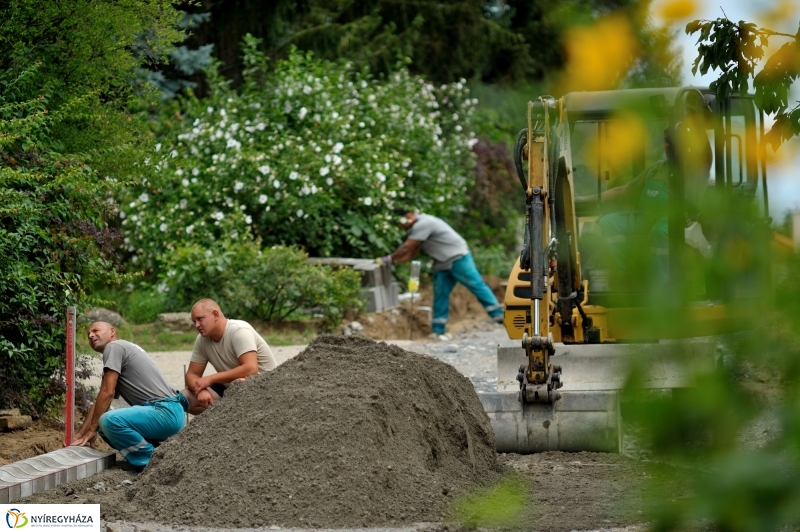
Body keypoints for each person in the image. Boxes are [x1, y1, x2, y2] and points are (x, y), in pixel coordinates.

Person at [578, 122, 713, 284]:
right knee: (609, 223)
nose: (667, 145)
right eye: (666, 141)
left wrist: (692, 114)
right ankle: (623, 277)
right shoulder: (657, 169)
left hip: (676, 221)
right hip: (645, 217)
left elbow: (706, 155)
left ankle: (660, 284)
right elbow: (624, 191)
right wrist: (584, 199)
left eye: (672, 141)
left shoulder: (694, 170)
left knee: (659, 233)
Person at [70, 321, 187, 470]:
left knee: (108, 420)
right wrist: (81, 435)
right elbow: (101, 400)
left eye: (95, 330)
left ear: (112, 332)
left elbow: (107, 392)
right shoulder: (121, 350)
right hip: (169, 414)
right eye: (88, 334)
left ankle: (152, 463)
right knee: (101, 423)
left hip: (164, 412)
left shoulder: (114, 347)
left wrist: (91, 430)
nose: (91, 335)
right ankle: (161, 454)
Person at [377, 207, 503, 339]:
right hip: (442, 262)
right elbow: (412, 252)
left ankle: (498, 314)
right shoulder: (415, 229)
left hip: (458, 258)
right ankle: (438, 329)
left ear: (409, 216)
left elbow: (408, 247)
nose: (401, 227)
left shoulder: (423, 223)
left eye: (401, 223)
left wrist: (389, 258)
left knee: (475, 284)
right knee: (440, 293)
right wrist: (394, 262)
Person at [182, 298, 277, 414]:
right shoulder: (202, 340)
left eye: (200, 319)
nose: (197, 325)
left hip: (265, 387)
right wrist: (200, 391)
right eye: (194, 321)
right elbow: (192, 374)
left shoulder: (239, 330)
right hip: (230, 387)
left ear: (215, 315)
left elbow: (251, 369)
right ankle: (224, 424)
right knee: (185, 397)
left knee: (239, 384)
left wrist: (211, 379)